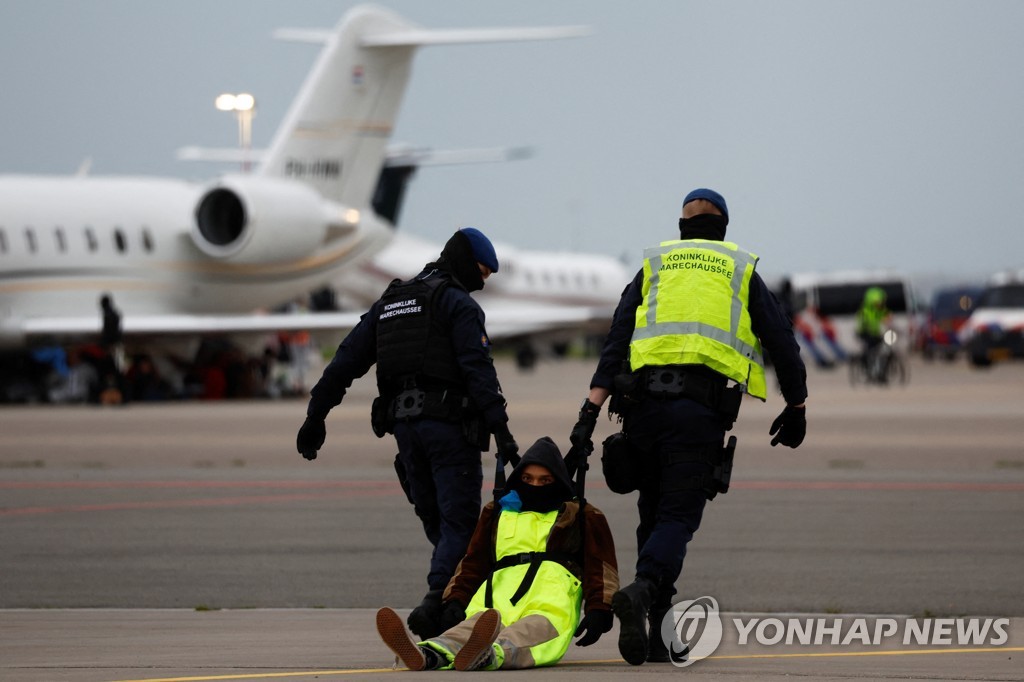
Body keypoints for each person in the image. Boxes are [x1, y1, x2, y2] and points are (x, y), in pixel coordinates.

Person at [568, 188, 808, 665]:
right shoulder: (741, 270)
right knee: (678, 517)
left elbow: (616, 341)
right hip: (696, 413)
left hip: (642, 410)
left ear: (682, 225)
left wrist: (587, 416)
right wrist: (796, 404)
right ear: (724, 227)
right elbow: (781, 341)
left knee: (653, 513)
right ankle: (643, 592)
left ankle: (658, 635)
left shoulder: (654, 267)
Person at [296, 227, 520, 640]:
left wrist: (317, 414)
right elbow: (478, 372)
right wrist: (503, 434)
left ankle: (454, 601)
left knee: (436, 520)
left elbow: (346, 359)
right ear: (464, 262)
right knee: (461, 521)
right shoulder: (458, 304)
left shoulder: (392, 302)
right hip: (450, 430)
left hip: (404, 430)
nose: (483, 281)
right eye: (481, 272)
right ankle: (438, 602)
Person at [375, 436, 618, 671]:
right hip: (493, 602)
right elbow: (473, 562)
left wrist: (599, 609)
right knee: (463, 632)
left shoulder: (580, 515)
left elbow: (601, 568)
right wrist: (455, 601)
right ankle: (427, 654)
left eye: (545, 481)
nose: (534, 485)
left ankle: (488, 656)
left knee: (525, 636)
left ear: (559, 481)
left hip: (549, 605)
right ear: (518, 478)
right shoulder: (497, 512)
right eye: (527, 478)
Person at [855, 285, 891, 369]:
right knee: (871, 348)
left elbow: (887, 318)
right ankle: (865, 362)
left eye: (881, 301)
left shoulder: (880, 310)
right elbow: (863, 324)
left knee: (883, 347)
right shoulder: (865, 311)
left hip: (876, 333)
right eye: (878, 301)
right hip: (865, 333)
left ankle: (880, 371)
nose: (880, 303)